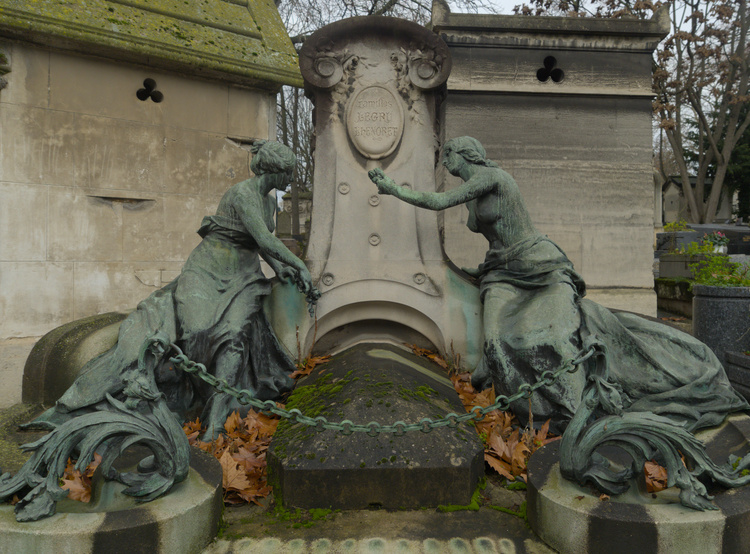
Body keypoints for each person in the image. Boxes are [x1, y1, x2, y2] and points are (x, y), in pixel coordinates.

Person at [369, 136, 748, 434]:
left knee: (552, 336)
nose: (445, 162)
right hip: (501, 272)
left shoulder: (491, 176)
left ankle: (574, 407)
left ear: (463, 155)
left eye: (448, 155)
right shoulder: (474, 190)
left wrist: (393, 189)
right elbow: (493, 235)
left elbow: (438, 202)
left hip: (539, 265)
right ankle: (528, 411)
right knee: (497, 340)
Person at [31, 140, 319, 440]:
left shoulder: (270, 201)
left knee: (234, 337)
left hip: (245, 277)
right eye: (289, 172)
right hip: (208, 269)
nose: (291, 179)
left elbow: (260, 243)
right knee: (197, 333)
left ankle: (216, 422)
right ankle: (192, 397)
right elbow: (263, 236)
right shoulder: (242, 193)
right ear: (276, 170)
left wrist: (280, 267)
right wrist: (299, 265)